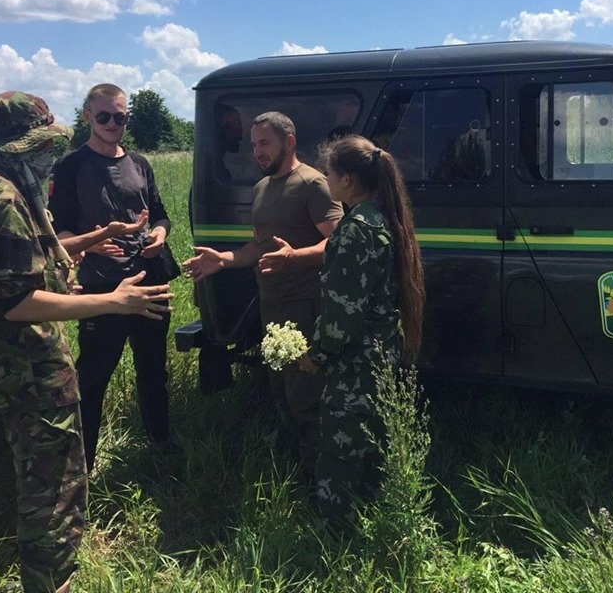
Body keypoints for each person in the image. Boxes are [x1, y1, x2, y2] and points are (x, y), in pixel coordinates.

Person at [0, 91, 173, 593]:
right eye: (40, 147)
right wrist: (112, 302)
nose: (47, 157)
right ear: (18, 146)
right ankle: (49, 578)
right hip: (27, 369)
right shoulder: (1, 199)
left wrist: (85, 240)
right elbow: (17, 302)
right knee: (52, 486)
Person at [183, 111, 343, 476]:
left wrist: (294, 258)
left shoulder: (313, 184)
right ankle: (293, 466)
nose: (256, 152)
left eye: (264, 143)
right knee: (280, 389)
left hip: (306, 305)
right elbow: (259, 246)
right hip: (272, 306)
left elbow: (339, 242)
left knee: (306, 395)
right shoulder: (262, 187)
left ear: (289, 141)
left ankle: (319, 480)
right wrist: (222, 260)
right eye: (253, 144)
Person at [49, 83, 177, 472]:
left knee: (154, 366)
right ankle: (83, 464)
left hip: (148, 277)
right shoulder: (70, 166)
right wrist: (91, 243)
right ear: (87, 116)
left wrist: (159, 234)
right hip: (100, 285)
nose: (111, 124)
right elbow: (60, 230)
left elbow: (159, 213)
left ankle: (161, 441)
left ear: (127, 118)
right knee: (93, 376)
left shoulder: (139, 162)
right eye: (103, 116)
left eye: (119, 117)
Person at [307, 134, 425, 524]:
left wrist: (317, 355)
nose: (325, 180)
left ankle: (333, 530)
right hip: (380, 353)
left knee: (342, 447)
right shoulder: (380, 218)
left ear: (346, 180)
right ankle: (372, 514)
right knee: (372, 441)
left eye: (328, 173)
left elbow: (343, 312)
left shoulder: (356, 229)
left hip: (354, 363)